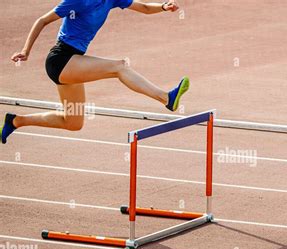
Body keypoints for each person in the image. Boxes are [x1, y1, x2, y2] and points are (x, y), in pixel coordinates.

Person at [2, 0, 189, 144]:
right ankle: (167, 98)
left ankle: (16, 121)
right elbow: (42, 20)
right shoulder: (77, 1)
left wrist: (164, 6)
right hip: (61, 60)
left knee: (73, 123)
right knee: (119, 67)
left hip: (74, 63)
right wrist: (25, 51)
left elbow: (145, 8)